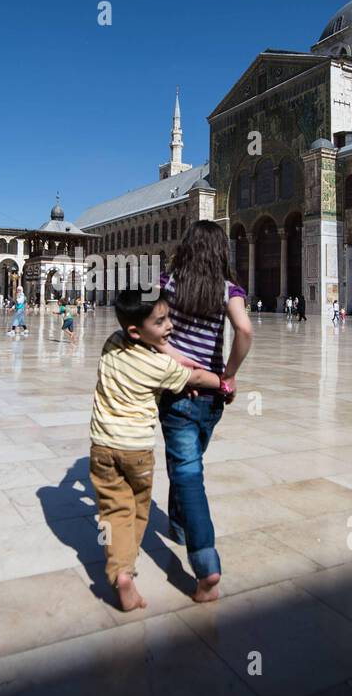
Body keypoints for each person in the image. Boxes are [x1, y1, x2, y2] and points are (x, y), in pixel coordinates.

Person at [88, 289, 223, 611]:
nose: (168, 327)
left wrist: (163, 347)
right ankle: (124, 568)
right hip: (137, 451)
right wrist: (225, 384)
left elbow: (135, 334)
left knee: (112, 511)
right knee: (135, 510)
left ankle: (121, 571)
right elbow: (197, 377)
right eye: (161, 321)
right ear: (139, 331)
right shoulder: (159, 368)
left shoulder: (111, 344)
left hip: (102, 447)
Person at [156, 220, 253, 603]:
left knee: (187, 474)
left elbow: (148, 330)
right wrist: (226, 376)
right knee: (187, 465)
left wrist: (180, 361)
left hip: (178, 392)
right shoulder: (229, 289)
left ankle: (206, 565)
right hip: (212, 397)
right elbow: (244, 330)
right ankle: (179, 526)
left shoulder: (168, 284)